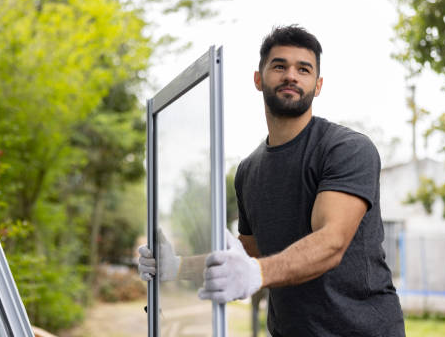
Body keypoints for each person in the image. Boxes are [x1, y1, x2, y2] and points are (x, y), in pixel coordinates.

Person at [138, 25, 405, 336]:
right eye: (280, 66)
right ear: (258, 79)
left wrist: (257, 272)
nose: (291, 75)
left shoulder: (346, 149)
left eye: (303, 69)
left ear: (317, 85)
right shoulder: (249, 170)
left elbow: (331, 242)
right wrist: (177, 267)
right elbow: (249, 255)